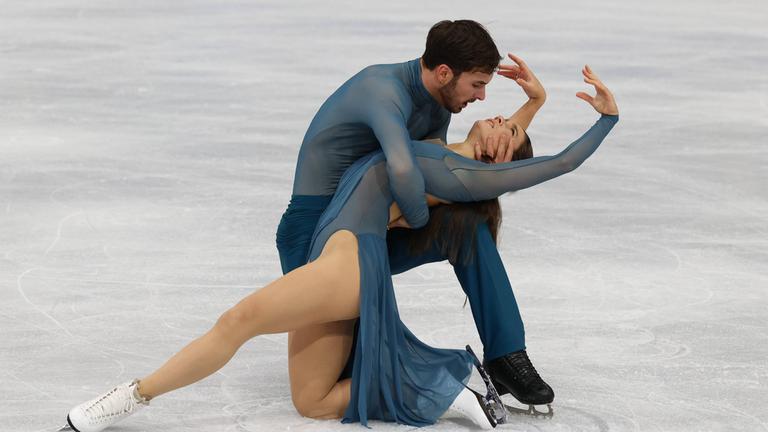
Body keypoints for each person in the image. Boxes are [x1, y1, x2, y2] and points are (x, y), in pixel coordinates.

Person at [64, 66, 619, 431]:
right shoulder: (447, 148)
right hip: (343, 259)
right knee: (312, 401)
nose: (502, 117)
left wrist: (607, 119)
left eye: (512, 130)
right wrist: (536, 103)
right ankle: (450, 388)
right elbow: (510, 143)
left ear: (503, 164)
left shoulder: (463, 176)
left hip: (348, 262)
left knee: (238, 321)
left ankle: (129, 397)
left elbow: (554, 162)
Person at [276, 19, 555, 412]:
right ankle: (444, 387)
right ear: (444, 73)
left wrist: (533, 105)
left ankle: (506, 354)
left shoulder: (438, 101)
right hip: (314, 240)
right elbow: (405, 171)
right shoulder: (382, 90)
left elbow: (457, 166)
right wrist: (416, 219)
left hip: (373, 232)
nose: (482, 96)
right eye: (477, 84)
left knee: (469, 228)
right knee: (350, 375)